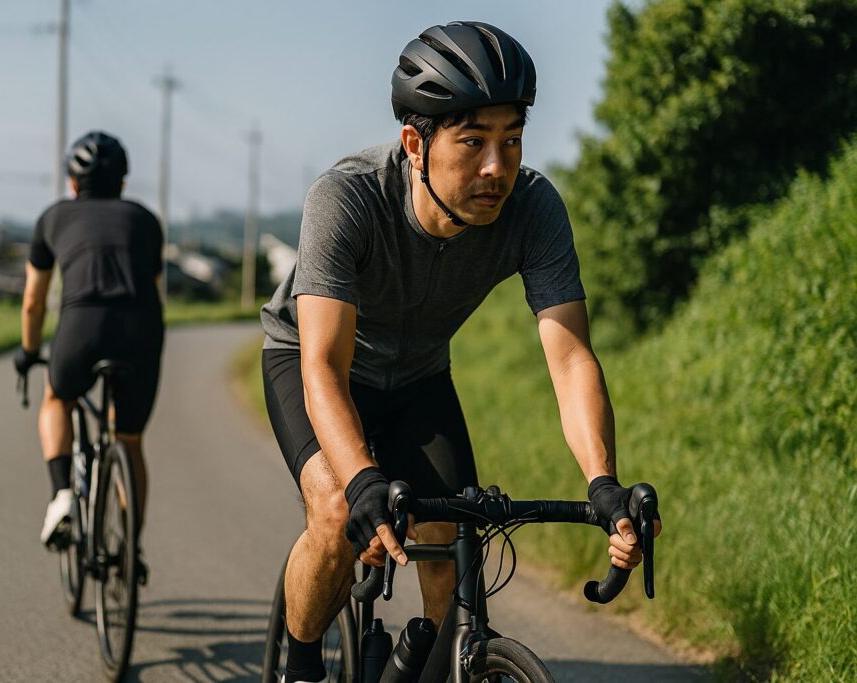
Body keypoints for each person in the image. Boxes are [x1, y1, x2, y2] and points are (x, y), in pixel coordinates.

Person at [259, 21, 662, 683]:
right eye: (473, 142)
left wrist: (603, 482)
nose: (497, 168)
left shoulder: (533, 209)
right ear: (415, 144)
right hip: (318, 365)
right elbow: (322, 368)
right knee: (335, 512)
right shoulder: (347, 199)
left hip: (419, 375)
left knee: (455, 542)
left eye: (512, 139)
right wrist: (361, 481)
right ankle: (299, 666)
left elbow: (570, 359)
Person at [14, 131, 164, 552]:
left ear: (72, 182)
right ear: (122, 182)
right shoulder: (146, 220)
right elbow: (156, 288)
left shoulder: (52, 218)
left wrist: (29, 351)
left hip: (82, 325)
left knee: (58, 398)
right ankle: (130, 549)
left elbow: (33, 301)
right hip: (140, 327)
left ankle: (62, 495)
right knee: (129, 440)